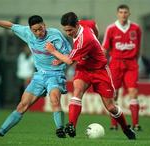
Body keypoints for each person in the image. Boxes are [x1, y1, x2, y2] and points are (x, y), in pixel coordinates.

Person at [45, 12, 136, 140]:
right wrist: (95, 41)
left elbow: (70, 62)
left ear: (77, 25)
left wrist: (53, 51)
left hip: (100, 71)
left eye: (70, 30)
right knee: (77, 91)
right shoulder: (84, 23)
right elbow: (94, 24)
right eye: (66, 30)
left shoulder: (85, 39)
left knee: (110, 107)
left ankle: (126, 129)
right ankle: (72, 125)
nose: (68, 33)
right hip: (84, 69)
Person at [0, 15, 71, 138]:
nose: (39, 32)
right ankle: (1, 132)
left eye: (40, 28)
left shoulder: (55, 35)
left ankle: (60, 130)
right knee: (22, 105)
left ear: (44, 25)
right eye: (35, 30)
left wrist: (59, 60)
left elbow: (70, 55)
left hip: (55, 74)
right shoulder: (27, 33)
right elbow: (10, 26)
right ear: (30, 30)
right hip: (39, 75)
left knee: (54, 99)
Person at [102, 4, 142, 131]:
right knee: (114, 95)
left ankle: (135, 124)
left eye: (125, 12)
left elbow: (138, 47)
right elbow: (105, 48)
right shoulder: (111, 28)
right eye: (121, 12)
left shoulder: (136, 28)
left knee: (133, 93)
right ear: (117, 14)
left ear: (129, 14)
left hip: (131, 64)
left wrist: (136, 62)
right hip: (116, 64)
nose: (123, 14)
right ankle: (114, 124)